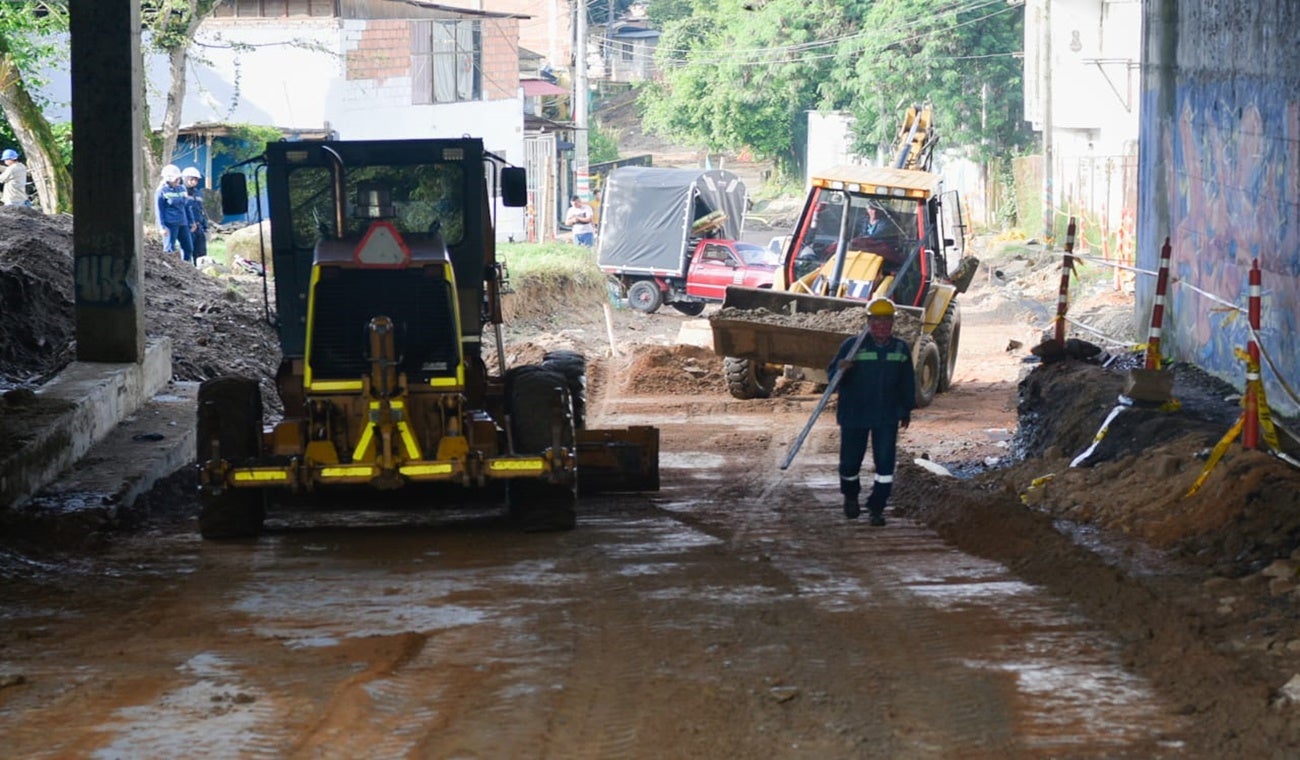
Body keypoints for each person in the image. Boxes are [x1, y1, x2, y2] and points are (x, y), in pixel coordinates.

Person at [827, 297, 916, 525]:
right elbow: (832, 380)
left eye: (887, 320)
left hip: (886, 415)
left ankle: (877, 507)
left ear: (893, 323)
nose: (882, 325)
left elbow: (907, 381)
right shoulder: (852, 346)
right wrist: (841, 369)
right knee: (849, 463)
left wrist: (906, 409)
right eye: (877, 320)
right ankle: (850, 497)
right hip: (855, 414)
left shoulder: (900, 348)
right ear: (868, 322)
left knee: (885, 465)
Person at [156, 164, 195, 262]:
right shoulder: (161, 191)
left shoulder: (182, 189)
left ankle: (187, 267)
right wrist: (162, 227)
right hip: (170, 225)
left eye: (178, 178)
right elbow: (159, 210)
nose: (178, 180)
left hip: (183, 223)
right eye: (175, 178)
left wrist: (192, 221)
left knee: (188, 248)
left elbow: (186, 206)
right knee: (169, 250)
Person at [181, 167, 209, 262]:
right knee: (186, 253)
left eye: (196, 180)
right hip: (187, 228)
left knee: (201, 254)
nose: (194, 182)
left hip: (199, 227)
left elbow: (202, 211)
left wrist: (206, 226)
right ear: (185, 178)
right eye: (191, 179)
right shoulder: (180, 192)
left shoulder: (198, 193)